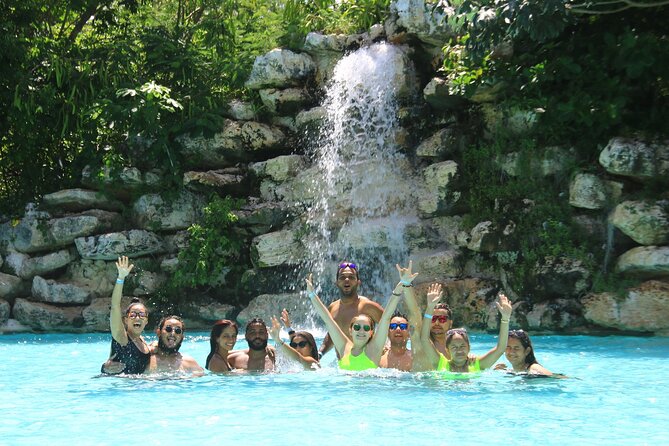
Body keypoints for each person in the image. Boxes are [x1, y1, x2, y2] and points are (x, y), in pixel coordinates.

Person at [306, 263, 418, 371]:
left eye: (366, 328)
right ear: (350, 330)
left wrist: (399, 288)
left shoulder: (374, 350)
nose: (361, 331)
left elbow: (386, 318)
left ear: (371, 332)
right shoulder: (344, 347)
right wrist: (311, 294)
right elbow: (327, 319)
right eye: (357, 327)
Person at [413, 283, 513, 374]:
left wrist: (505, 319)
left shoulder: (477, 365)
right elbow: (424, 339)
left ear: (469, 347)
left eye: (462, 346)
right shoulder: (441, 364)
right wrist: (430, 307)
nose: (459, 350)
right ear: (447, 350)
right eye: (454, 347)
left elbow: (500, 348)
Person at [318, 261, 384, 359]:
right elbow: (332, 334)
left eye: (351, 277)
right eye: (342, 277)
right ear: (336, 282)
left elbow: (391, 326)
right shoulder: (332, 308)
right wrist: (320, 354)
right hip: (343, 367)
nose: (347, 280)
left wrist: (388, 349)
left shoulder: (368, 306)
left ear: (358, 282)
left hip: (367, 367)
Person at [100, 256, 150, 375]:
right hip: (120, 387)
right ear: (125, 320)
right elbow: (115, 306)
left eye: (141, 314)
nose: (137, 317)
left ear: (147, 321)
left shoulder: (143, 342)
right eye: (133, 314)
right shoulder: (121, 337)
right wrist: (121, 278)